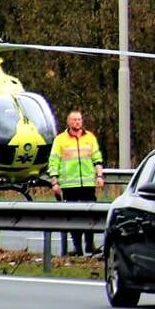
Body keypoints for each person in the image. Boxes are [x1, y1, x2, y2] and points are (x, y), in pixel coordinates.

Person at [48, 109, 104, 256]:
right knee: (73, 217)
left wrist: (99, 175)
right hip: (69, 185)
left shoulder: (90, 137)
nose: (77, 122)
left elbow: (97, 157)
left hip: (87, 184)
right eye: (74, 120)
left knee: (90, 215)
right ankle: (77, 247)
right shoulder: (60, 140)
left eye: (79, 119)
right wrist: (54, 182)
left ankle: (89, 246)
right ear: (68, 122)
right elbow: (53, 161)